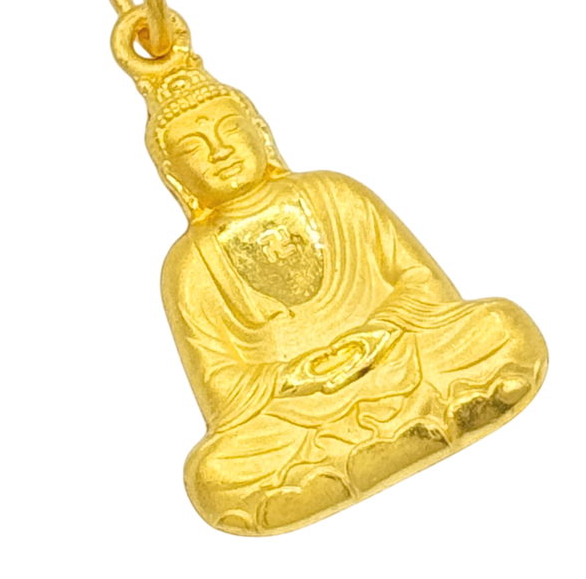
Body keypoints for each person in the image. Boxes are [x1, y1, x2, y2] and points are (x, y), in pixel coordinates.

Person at [154, 91, 550, 536]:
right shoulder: (190, 264)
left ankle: (341, 470)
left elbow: (421, 282)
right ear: (174, 175)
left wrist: (381, 330)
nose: (220, 151)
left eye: (230, 130)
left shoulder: (335, 192)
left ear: (261, 133)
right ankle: (427, 423)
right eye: (194, 148)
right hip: (299, 413)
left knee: (500, 327)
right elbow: (222, 385)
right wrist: (297, 376)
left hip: (402, 358)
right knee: (219, 476)